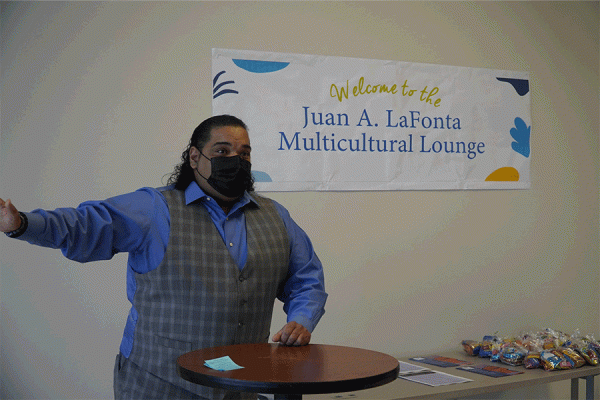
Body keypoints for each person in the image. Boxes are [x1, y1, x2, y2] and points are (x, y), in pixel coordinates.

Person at [0, 115, 328, 400]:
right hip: (158, 384)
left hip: (239, 386)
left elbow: (306, 279)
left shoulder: (276, 216)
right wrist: (22, 224)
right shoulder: (154, 208)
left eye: (244, 154)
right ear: (195, 158)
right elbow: (85, 225)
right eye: (223, 152)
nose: (235, 160)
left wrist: (302, 318)